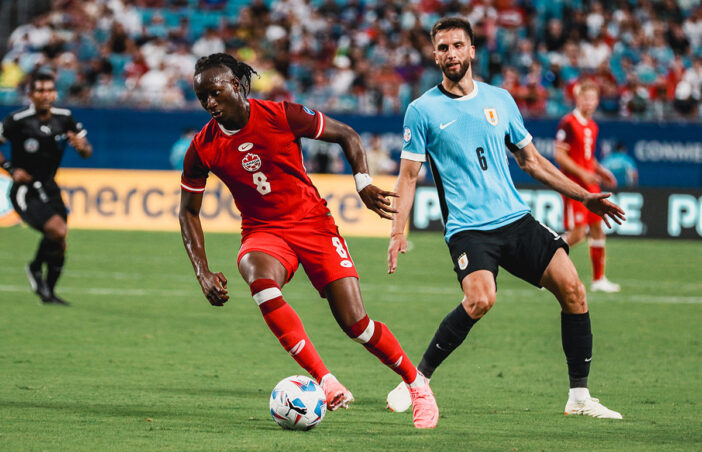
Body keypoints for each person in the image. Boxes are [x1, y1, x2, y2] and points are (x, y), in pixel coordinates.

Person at [178, 53, 439, 429]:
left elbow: (347, 135)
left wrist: (363, 183)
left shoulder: (281, 115)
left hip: (314, 225)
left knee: (357, 325)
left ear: (235, 85)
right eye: (202, 98)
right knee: (255, 272)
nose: (209, 104)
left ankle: (417, 385)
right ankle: (326, 381)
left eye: (215, 93)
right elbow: (188, 212)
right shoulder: (202, 147)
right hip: (263, 231)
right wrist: (201, 271)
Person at [384, 17, 625, 419]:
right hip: (469, 228)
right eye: (442, 48)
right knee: (480, 299)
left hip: (515, 219)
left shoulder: (500, 99)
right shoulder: (422, 110)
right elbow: (409, 176)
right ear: (434, 54)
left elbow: (532, 162)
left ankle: (579, 398)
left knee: (575, 291)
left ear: (472, 51)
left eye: (458, 45)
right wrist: (397, 231)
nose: (451, 54)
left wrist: (585, 197)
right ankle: (417, 381)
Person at [0, 72, 92, 305]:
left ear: (55, 93)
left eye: (49, 90)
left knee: (59, 241)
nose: (45, 95)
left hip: (50, 186)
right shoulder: (17, 120)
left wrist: (81, 147)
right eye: (39, 90)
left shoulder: (65, 118)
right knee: (58, 230)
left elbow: (86, 152)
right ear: (30, 94)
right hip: (24, 188)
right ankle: (35, 270)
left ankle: (48, 292)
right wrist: (11, 169)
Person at [554, 81, 620, 293]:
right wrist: (582, 173)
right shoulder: (568, 123)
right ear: (578, 99)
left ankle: (599, 279)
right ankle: (543, 257)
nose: (589, 102)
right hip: (573, 186)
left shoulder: (592, 126)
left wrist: (601, 172)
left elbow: (588, 158)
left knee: (598, 229)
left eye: (593, 98)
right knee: (577, 234)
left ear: (597, 101)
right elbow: (559, 155)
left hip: (591, 186)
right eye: (586, 98)